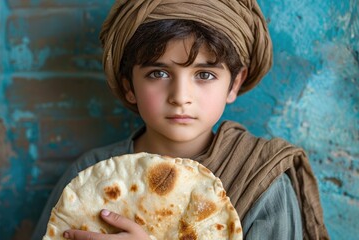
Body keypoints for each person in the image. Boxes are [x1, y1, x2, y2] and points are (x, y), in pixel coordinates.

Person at [32, 0, 329, 239]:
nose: (180, 96)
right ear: (128, 86)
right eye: (158, 73)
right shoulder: (88, 176)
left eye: (205, 75)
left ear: (234, 84)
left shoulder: (262, 183)